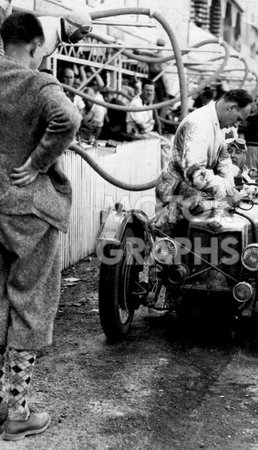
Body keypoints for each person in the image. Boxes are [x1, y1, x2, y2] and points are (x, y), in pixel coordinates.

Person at [0, 12, 81, 440]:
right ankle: (16, 411)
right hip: (30, 211)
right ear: (35, 44)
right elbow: (68, 119)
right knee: (31, 304)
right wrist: (37, 163)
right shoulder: (37, 83)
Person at [155, 89, 254, 234]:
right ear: (231, 107)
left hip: (193, 197)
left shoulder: (217, 123)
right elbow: (196, 174)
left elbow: (223, 157)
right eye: (238, 119)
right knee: (169, 249)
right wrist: (226, 191)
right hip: (174, 197)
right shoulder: (198, 124)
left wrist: (231, 189)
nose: (236, 126)